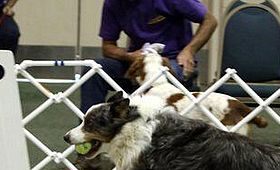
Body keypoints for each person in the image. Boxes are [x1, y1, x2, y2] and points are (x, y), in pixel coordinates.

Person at [80, 0, 218, 113]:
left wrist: (189, 50)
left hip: (173, 59)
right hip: (137, 61)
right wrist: (129, 56)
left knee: (156, 79)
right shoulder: (112, 3)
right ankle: (89, 131)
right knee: (93, 72)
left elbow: (210, 20)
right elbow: (108, 47)